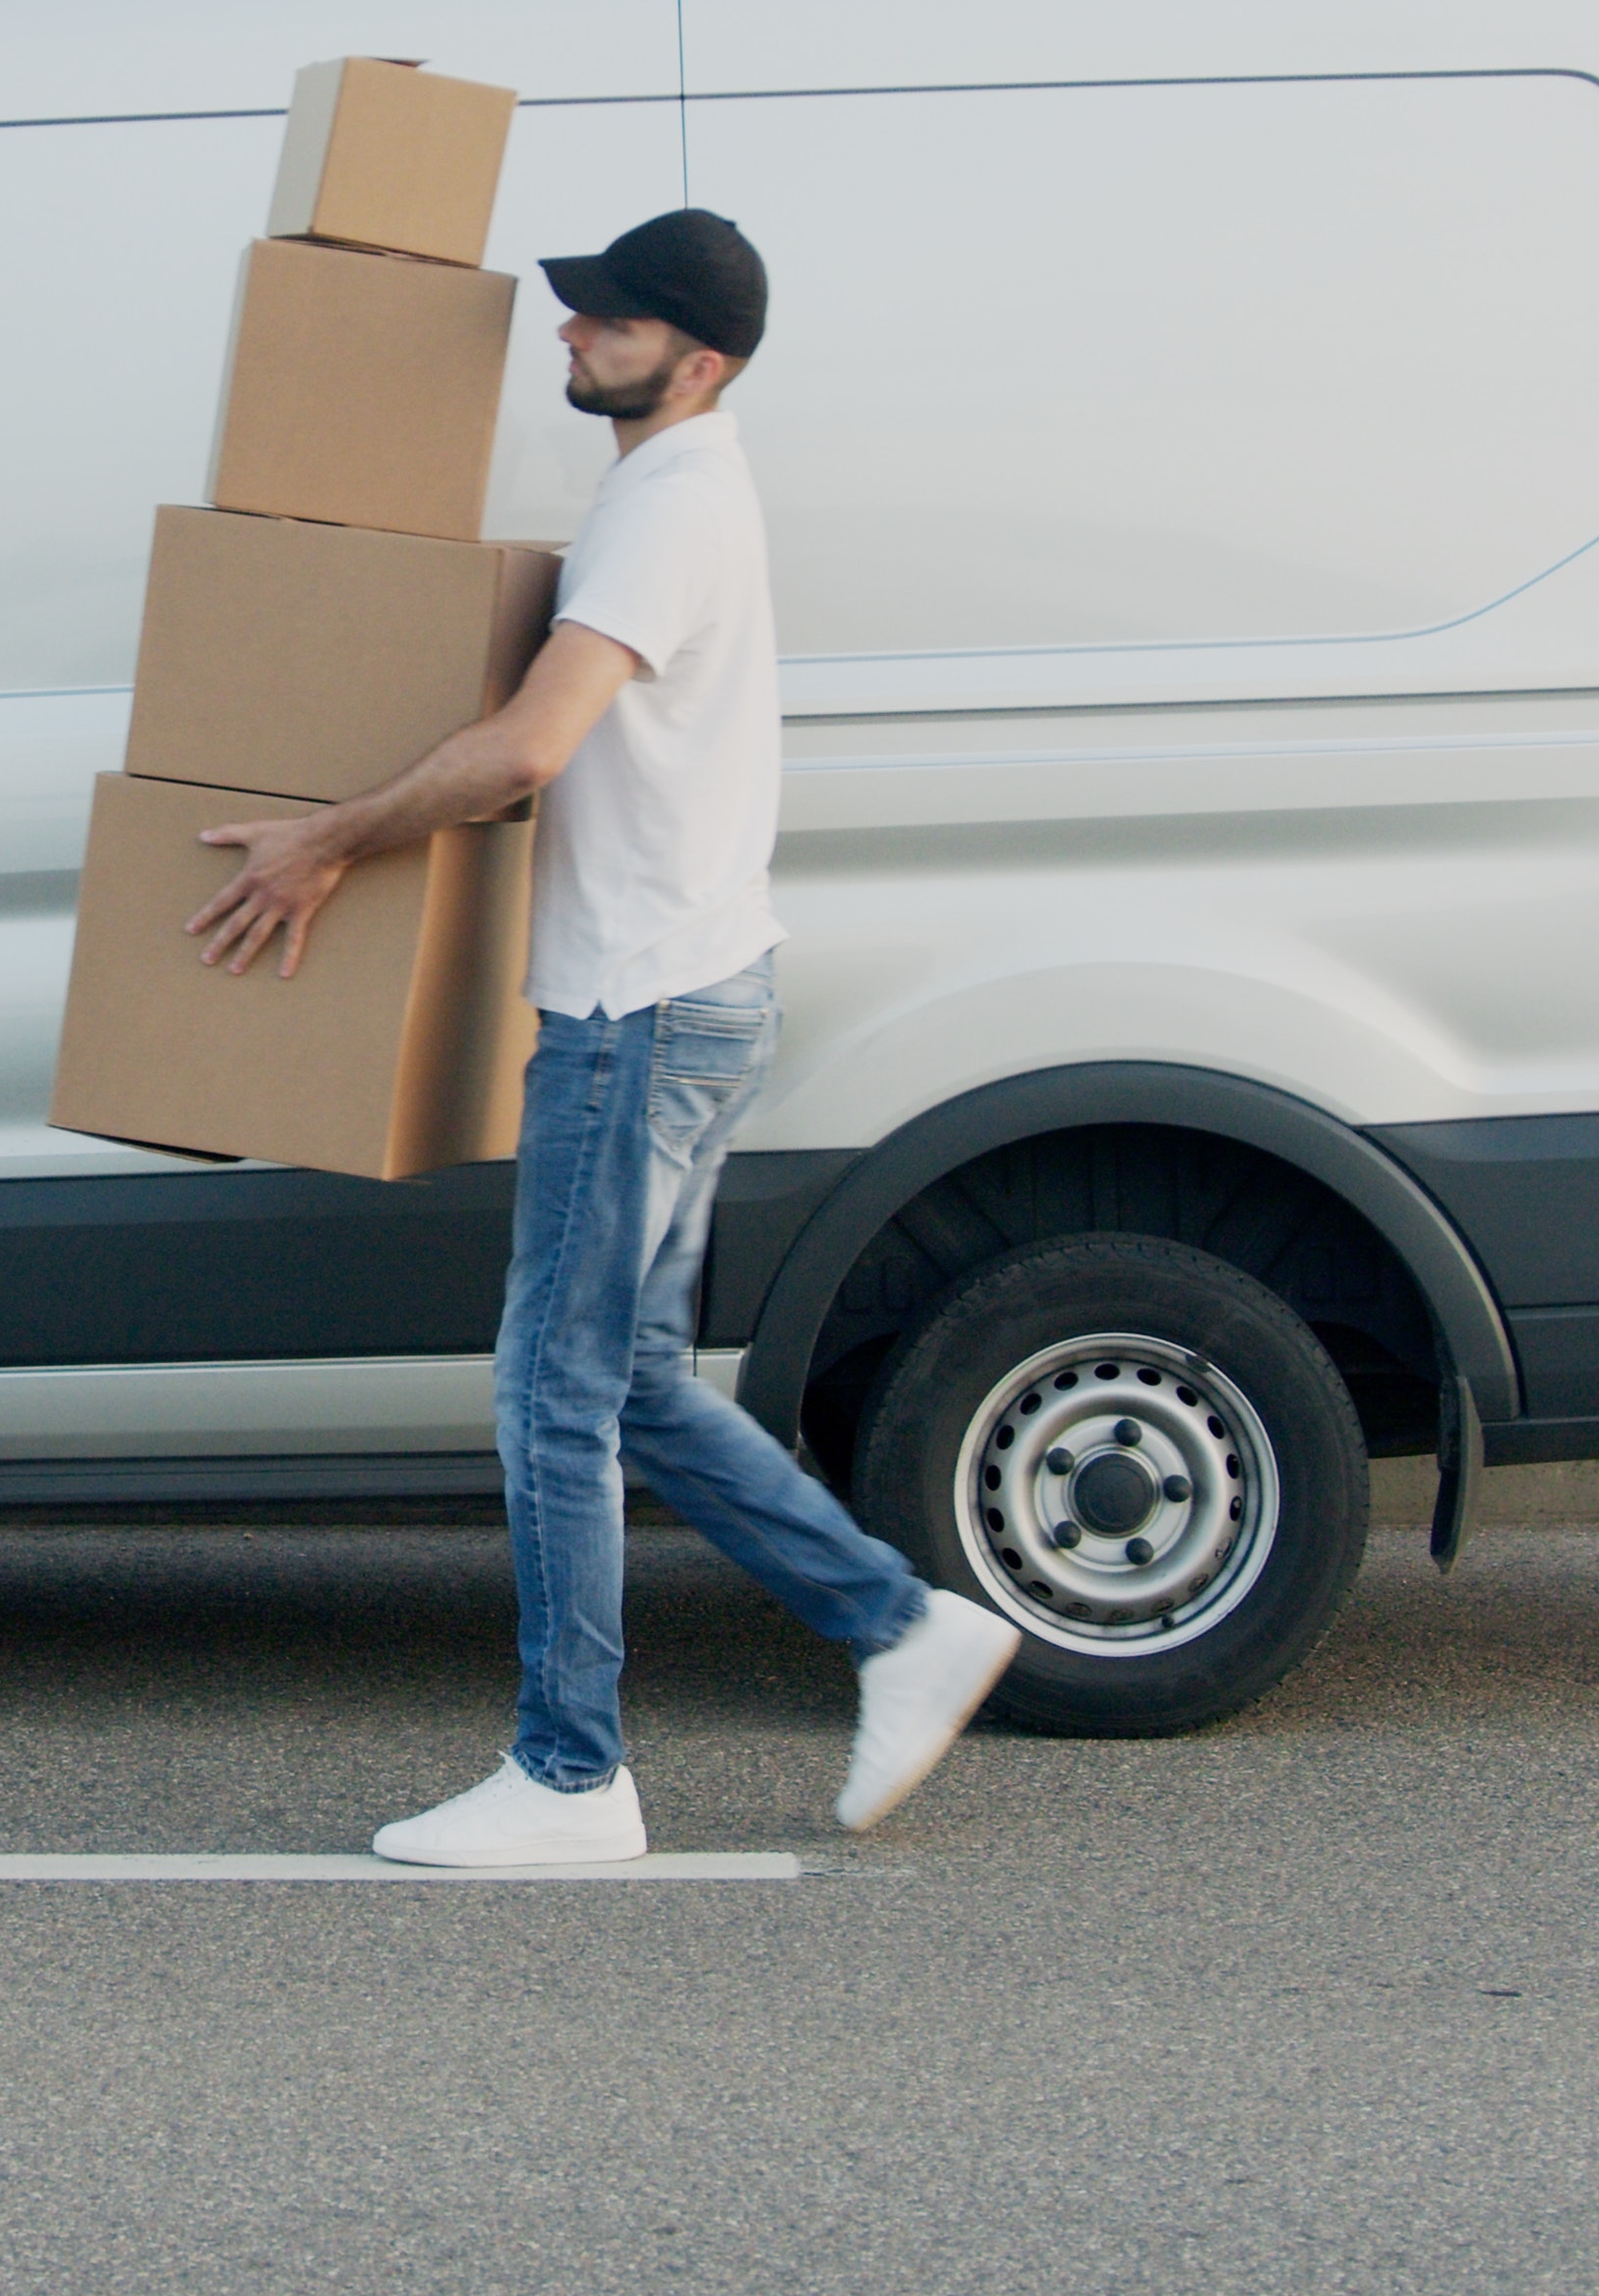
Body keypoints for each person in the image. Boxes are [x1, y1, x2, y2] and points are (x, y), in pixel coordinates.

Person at [182, 206, 1016, 1865]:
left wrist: (323, 838)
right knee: (624, 1374)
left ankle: (572, 1774)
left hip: (637, 1013)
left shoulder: (671, 503)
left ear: (695, 361)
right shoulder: (673, 492)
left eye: (607, 321)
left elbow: (525, 751)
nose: (569, 337)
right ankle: (903, 1624)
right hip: (696, 988)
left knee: (551, 1389)